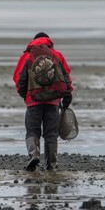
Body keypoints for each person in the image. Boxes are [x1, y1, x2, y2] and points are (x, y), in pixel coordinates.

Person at [13, 32, 73, 171]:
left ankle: (34, 155)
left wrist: (26, 96)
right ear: (48, 41)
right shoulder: (57, 55)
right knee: (51, 133)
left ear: (34, 42)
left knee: (32, 131)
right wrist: (68, 94)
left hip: (33, 101)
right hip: (53, 101)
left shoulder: (27, 56)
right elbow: (66, 76)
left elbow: (19, 79)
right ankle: (51, 164)